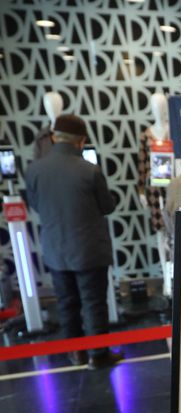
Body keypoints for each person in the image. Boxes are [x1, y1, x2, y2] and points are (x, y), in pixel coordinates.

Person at [25, 114, 121, 369]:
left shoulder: (34, 170)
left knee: (66, 303)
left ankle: (76, 353)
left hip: (56, 249)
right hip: (90, 250)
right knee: (94, 303)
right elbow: (107, 207)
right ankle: (98, 355)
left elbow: (35, 205)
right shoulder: (90, 170)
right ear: (82, 141)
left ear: (54, 137)